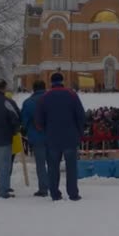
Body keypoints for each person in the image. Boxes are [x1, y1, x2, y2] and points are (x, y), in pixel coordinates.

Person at [35, 73, 86, 201]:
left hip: (52, 138)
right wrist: (79, 132)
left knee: (52, 168)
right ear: (63, 81)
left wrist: (44, 130)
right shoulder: (72, 95)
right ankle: (73, 193)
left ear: (50, 82)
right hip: (70, 137)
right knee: (71, 168)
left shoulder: (44, 97)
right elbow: (81, 116)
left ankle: (55, 193)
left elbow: (38, 121)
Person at [21, 80, 48, 197]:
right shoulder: (52, 99)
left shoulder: (28, 102)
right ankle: (54, 186)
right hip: (54, 136)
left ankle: (43, 188)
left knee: (40, 164)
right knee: (53, 163)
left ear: (33, 89)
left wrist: (29, 130)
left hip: (37, 137)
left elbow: (24, 121)